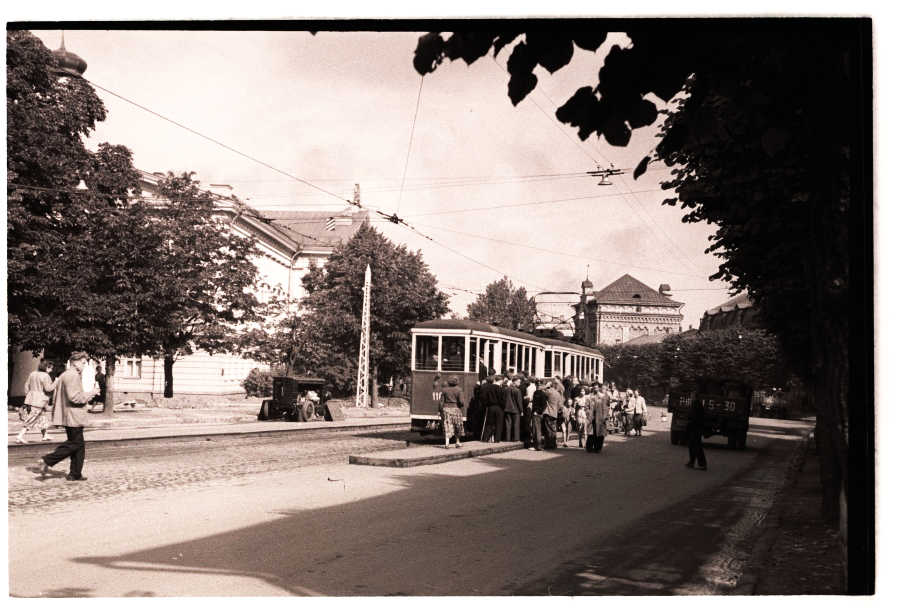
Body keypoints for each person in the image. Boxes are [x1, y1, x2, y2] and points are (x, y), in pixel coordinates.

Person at [37, 351, 99, 481]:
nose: (84, 366)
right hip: (73, 415)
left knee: (79, 445)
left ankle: (75, 473)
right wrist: (91, 393)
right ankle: (47, 460)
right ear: (75, 362)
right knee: (74, 443)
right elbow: (74, 397)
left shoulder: (65, 375)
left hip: (68, 414)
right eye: (83, 363)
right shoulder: (72, 375)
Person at [17, 360, 57, 444]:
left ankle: (45, 435)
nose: (51, 370)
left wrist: (29, 395)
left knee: (42, 417)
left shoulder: (33, 374)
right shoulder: (46, 376)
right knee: (32, 418)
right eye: (50, 368)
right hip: (39, 400)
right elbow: (48, 388)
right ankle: (20, 436)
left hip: (30, 399)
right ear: (46, 367)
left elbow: (26, 386)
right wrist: (56, 382)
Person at [440, 376, 465, 449]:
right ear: (457, 382)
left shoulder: (444, 390)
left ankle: (447, 443)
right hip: (456, 409)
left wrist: (440, 410)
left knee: (447, 425)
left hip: (446, 409)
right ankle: (457, 442)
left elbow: (441, 402)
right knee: (457, 426)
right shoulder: (459, 390)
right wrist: (461, 405)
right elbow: (461, 402)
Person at [480, 375, 505, 443]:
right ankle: (497, 439)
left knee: (489, 423)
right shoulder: (501, 389)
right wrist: (503, 407)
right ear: (501, 380)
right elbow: (502, 400)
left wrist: (487, 405)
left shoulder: (488, 388)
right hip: (499, 407)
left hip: (490, 407)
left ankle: (485, 438)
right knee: (498, 424)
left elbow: (484, 398)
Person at [685, 397, 708, 470]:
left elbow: (693, 416)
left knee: (696, 446)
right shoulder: (696, 404)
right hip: (695, 428)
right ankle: (692, 462)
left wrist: (689, 419)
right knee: (693, 445)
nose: (691, 397)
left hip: (695, 428)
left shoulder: (696, 404)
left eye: (692, 395)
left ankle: (702, 464)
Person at [544, 380, 563, 449]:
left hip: (548, 412)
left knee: (548, 429)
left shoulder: (549, 391)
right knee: (553, 429)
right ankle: (553, 444)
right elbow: (560, 405)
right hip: (555, 413)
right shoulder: (558, 394)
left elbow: (542, 391)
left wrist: (546, 386)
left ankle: (548, 444)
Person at [503, 376, 523, 442]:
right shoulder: (517, 390)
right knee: (516, 424)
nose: (519, 383)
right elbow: (519, 401)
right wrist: (521, 410)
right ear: (514, 382)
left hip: (507, 409)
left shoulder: (506, 389)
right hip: (516, 410)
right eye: (518, 382)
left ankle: (507, 438)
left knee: (508, 424)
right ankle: (516, 438)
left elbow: (504, 399)